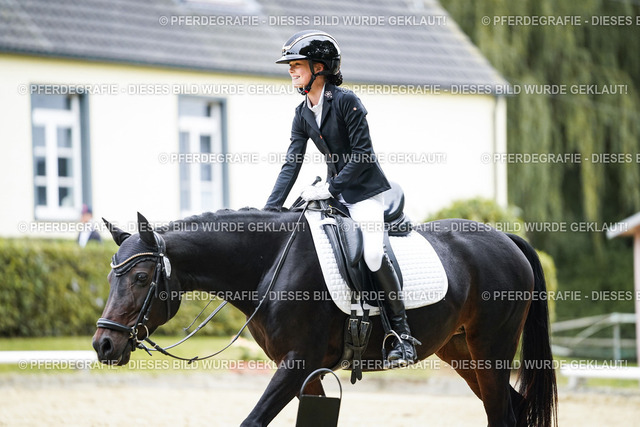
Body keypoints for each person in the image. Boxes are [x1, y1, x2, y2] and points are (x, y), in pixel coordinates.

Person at [264, 30, 418, 365]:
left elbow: (363, 154)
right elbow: (292, 163)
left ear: (319, 67)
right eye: (290, 65)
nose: (291, 70)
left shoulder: (347, 101)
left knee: (373, 254)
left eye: (297, 64)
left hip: (365, 192)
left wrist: (331, 188)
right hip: (333, 195)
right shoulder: (302, 113)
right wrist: (270, 209)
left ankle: (403, 336)